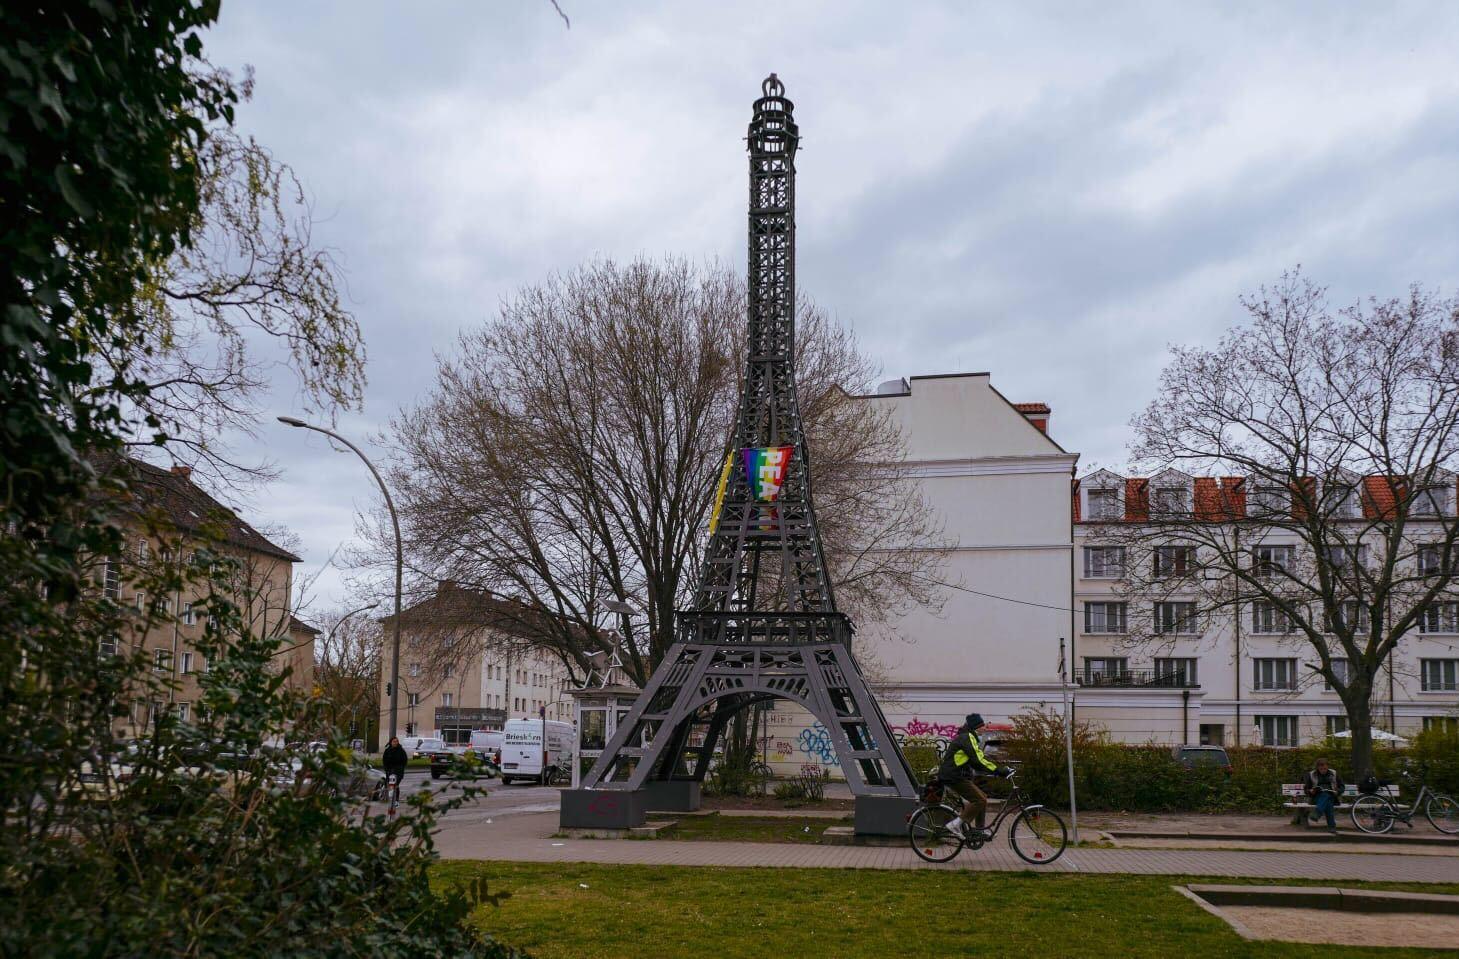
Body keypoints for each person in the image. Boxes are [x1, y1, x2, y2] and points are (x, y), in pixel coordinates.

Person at [938, 713, 1014, 841]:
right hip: (953, 776)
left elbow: (978, 760)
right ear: (975, 727)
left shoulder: (968, 737)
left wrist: (998, 769)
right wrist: (1000, 771)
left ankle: (980, 831)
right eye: (982, 726)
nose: (984, 728)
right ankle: (955, 825)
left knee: (982, 798)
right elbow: (978, 760)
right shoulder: (967, 737)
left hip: (957, 775)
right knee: (979, 800)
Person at [1303, 757, 1344, 832]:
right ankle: (1332, 827)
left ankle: (1318, 813)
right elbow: (1306, 789)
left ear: (1327, 766)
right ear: (1317, 767)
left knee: (1327, 795)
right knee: (1327, 799)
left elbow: (1342, 786)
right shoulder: (1312, 774)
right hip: (1316, 798)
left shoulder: (1334, 773)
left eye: (1325, 768)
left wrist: (1337, 791)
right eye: (1321, 769)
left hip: (1333, 796)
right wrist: (1310, 791)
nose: (1323, 770)